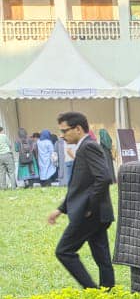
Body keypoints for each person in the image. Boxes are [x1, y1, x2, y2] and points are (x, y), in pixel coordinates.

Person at [46, 112, 115, 289]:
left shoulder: (88, 147)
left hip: (89, 214)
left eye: (65, 131)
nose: (62, 136)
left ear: (78, 129)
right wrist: (61, 209)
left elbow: (104, 177)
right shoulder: (85, 146)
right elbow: (80, 186)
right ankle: (108, 293)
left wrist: (90, 206)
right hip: (97, 213)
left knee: (64, 251)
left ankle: (92, 291)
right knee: (102, 258)